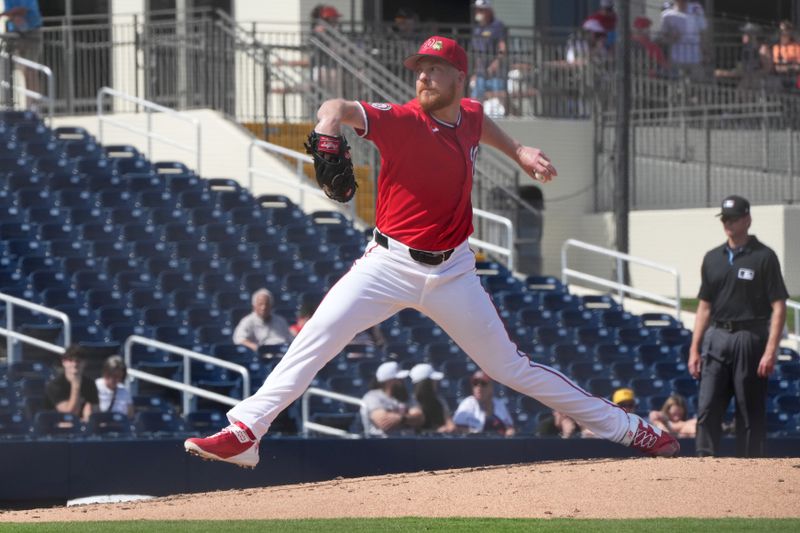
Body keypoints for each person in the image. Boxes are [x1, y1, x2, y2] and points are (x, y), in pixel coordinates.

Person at [184, 35, 678, 468]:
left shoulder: (469, 115)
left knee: (510, 367)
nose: (422, 75)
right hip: (388, 263)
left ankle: (628, 428)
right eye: (418, 68)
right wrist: (331, 121)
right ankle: (245, 431)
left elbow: (480, 124)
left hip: (454, 272)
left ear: (459, 76)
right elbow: (340, 107)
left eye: (434, 67)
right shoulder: (401, 120)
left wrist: (521, 152)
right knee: (317, 336)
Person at [688, 195, 789, 457]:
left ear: (747, 219)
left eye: (733, 218)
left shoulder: (764, 257)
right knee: (708, 404)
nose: (728, 223)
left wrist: (770, 351)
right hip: (717, 335)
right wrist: (694, 349)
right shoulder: (712, 258)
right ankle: (704, 459)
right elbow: (704, 307)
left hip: (750, 336)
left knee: (749, 408)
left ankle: (750, 464)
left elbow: (779, 307)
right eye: (725, 218)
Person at [360, 361, 424, 437]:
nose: (402, 381)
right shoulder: (372, 397)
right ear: (389, 381)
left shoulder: (408, 397)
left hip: (408, 444)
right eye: (399, 379)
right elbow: (383, 422)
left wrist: (401, 419)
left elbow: (420, 418)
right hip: (380, 444)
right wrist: (408, 417)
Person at [0, 0, 43, 102]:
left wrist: (7, 14)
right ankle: (28, 102)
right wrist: (12, 15)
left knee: (31, 70)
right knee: (22, 70)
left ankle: (34, 103)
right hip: (16, 34)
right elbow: (11, 13)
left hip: (32, 34)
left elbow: (23, 10)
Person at [469, 0, 508, 112]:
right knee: (475, 99)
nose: (478, 12)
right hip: (481, 74)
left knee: (497, 102)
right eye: (477, 9)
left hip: (496, 75)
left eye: (481, 9)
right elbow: (477, 54)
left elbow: (502, 48)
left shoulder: (497, 26)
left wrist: (497, 61)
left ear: (488, 11)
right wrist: (475, 73)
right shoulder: (476, 29)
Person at [43, 345, 98, 422]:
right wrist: (76, 386)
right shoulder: (55, 385)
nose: (75, 364)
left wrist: (89, 415)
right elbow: (69, 415)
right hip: (56, 427)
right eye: (70, 360)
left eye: (78, 361)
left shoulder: (90, 384)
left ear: (84, 363)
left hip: (83, 427)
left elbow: (94, 412)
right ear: (64, 362)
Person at [453, 370, 515, 436]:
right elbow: (456, 428)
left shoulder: (499, 404)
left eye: (483, 383)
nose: (479, 387)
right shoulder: (467, 404)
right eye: (475, 383)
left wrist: (510, 432)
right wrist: (474, 432)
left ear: (491, 387)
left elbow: (510, 427)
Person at [659, 0, 707, 80]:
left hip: (695, 58)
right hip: (677, 58)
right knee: (676, 85)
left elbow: (702, 32)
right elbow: (663, 36)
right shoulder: (667, 14)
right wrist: (671, 37)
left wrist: (705, 53)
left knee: (697, 85)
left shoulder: (696, 9)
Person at [410, 363, 455, 434]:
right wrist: (436, 432)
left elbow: (450, 424)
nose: (435, 383)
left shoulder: (440, 401)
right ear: (425, 384)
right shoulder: (411, 403)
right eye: (432, 381)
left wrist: (449, 428)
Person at [772, 20, 800, 91]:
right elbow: (777, 67)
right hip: (780, 77)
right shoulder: (776, 47)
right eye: (782, 30)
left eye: (786, 30)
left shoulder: (796, 46)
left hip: (794, 76)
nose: (784, 32)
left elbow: (798, 65)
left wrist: (789, 65)